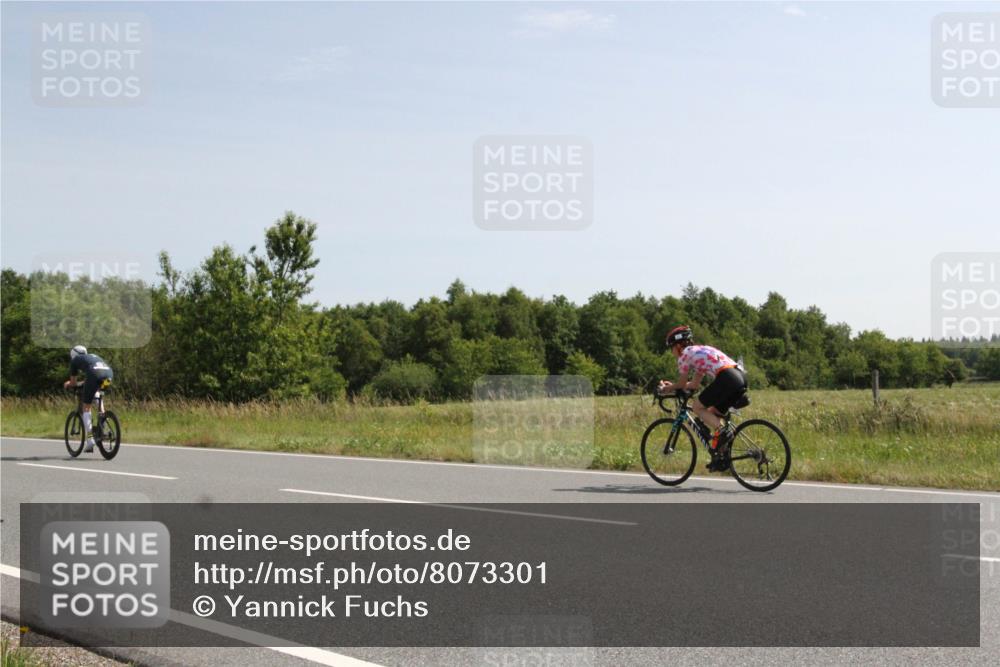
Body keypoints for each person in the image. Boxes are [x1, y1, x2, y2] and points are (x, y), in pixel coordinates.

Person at [657, 325, 747, 472]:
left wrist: (666, 389)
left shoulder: (684, 355)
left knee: (697, 407)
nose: (672, 352)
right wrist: (673, 386)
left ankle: (723, 432)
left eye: (671, 348)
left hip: (727, 377)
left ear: (678, 346)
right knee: (712, 413)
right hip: (740, 376)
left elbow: (681, 383)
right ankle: (721, 457)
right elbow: (693, 384)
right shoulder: (699, 352)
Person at [63, 345, 113, 453]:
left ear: (73, 355)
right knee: (98, 395)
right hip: (108, 375)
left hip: (94, 375)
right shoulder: (92, 357)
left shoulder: (75, 361)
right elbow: (92, 377)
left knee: (86, 408)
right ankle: (103, 424)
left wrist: (68, 384)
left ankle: (90, 439)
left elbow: (73, 383)